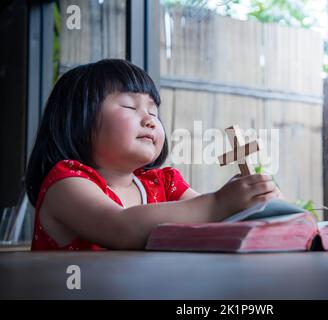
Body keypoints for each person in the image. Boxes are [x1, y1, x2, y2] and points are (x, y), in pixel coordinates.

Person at [25, 59, 282, 251]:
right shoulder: (65, 184)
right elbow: (121, 227)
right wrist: (219, 203)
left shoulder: (163, 183)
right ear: (76, 119)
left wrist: (247, 200)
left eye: (154, 111)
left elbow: (207, 221)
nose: (150, 119)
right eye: (129, 105)